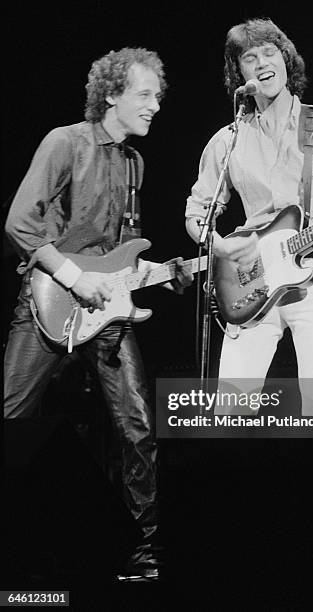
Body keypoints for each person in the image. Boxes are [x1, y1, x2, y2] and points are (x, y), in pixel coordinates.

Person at [4, 46, 193, 579]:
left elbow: (122, 250)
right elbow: (21, 224)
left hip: (106, 312)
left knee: (138, 428)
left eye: (159, 95)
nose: (156, 105)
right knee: (12, 421)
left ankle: (142, 553)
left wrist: (165, 273)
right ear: (111, 95)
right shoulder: (65, 143)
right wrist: (73, 277)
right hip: (48, 303)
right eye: (145, 95)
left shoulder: (135, 162)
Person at [185, 18, 313, 416]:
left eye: (270, 53)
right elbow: (197, 211)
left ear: (287, 60)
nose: (261, 64)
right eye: (249, 58)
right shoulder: (229, 140)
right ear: (237, 73)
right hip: (250, 283)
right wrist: (218, 245)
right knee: (230, 409)